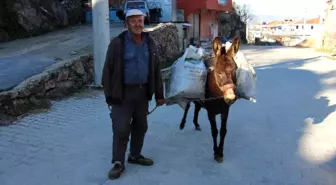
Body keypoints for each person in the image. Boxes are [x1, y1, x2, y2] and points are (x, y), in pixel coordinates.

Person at [101, 9, 165, 180]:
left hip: (143, 92)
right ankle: (118, 162)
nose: (138, 24)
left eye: (140, 20)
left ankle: (135, 155)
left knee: (141, 126)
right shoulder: (117, 43)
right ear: (127, 23)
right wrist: (109, 95)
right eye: (134, 21)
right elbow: (108, 71)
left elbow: (156, 70)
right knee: (121, 128)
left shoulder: (150, 43)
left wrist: (159, 94)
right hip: (122, 93)